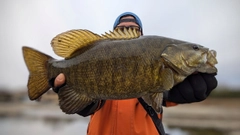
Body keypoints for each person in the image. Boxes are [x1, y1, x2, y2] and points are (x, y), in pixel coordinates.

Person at [51, 12, 218, 135]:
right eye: (121, 30)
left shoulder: (168, 72)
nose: (127, 32)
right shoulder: (99, 52)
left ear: (142, 37)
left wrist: (174, 92)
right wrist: (81, 100)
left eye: (133, 30)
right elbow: (92, 105)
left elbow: (163, 98)